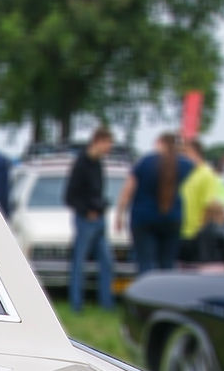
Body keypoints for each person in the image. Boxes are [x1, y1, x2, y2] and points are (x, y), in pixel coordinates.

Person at [117, 132, 193, 275]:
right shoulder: (185, 165)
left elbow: (127, 192)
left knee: (145, 262)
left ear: (159, 142)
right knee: (168, 263)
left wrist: (119, 216)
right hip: (172, 217)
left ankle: (145, 293)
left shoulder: (145, 162)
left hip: (143, 218)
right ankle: (163, 294)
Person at [63, 127, 115, 311]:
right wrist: (86, 210)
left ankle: (106, 303)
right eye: (108, 143)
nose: (109, 148)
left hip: (100, 218)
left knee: (107, 262)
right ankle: (76, 303)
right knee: (79, 262)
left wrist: (102, 205)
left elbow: (98, 190)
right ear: (98, 142)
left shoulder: (99, 163)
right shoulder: (81, 164)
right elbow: (69, 196)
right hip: (85, 219)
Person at [178, 138, 224, 261]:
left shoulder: (206, 174)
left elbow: (209, 205)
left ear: (194, 152)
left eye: (184, 154)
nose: (182, 158)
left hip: (196, 234)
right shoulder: (187, 173)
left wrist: (202, 232)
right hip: (181, 232)